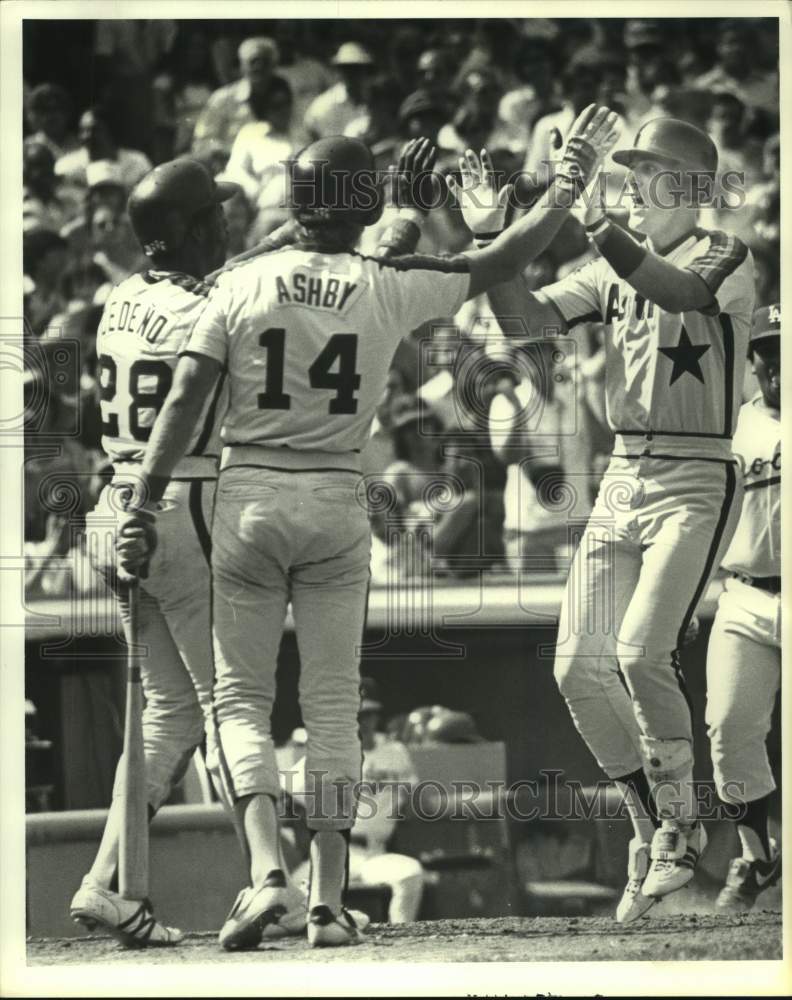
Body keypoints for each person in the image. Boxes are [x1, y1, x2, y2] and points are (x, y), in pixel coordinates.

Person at [115, 107, 618, 948]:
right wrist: (570, 176)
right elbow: (508, 256)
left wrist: (141, 503)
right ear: (367, 203)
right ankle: (328, 900)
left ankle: (269, 876)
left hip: (248, 495)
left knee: (237, 699)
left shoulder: (240, 277)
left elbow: (184, 398)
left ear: (295, 201)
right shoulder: (390, 281)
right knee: (336, 705)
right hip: (339, 495)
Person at [456, 115, 755, 921]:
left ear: (693, 180)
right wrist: (492, 237)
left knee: (638, 651)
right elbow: (527, 324)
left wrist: (589, 213)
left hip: (697, 469)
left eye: (649, 168)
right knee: (574, 666)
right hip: (625, 469)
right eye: (628, 169)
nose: (631, 180)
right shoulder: (607, 257)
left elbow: (681, 292)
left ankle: (685, 832)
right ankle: (648, 825)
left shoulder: (728, 251)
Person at [69, 157, 244, 948]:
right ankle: (284, 882)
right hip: (175, 503)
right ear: (190, 231)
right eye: (216, 215)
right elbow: (241, 286)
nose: (227, 224)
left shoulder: (122, 296)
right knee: (232, 706)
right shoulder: (206, 308)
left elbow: (229, 269)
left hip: (114, 505)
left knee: (172, 715)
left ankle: (103, 884)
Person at [705, 303, 781, 912]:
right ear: (753, 360)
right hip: (746, 592)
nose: (780, 367)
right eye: (770, 355)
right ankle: (757, 858)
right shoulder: (732, 427)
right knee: (729, 728)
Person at [289, 679, 424, 923]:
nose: (365, 721)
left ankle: (404, 939)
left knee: (410, 874)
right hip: (334, 850)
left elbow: (413, 803)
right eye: (358, 714)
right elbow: (288, 797)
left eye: (369, 713)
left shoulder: (395, 752)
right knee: (296, 896)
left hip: (374, 853)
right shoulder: (327, 752)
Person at [191, 37, 286, 154]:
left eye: (264, 61)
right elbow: (203, 142)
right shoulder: (223, 99)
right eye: (253, 61)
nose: (258, 67)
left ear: (274, 65)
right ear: (242, 66)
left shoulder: (287, 96)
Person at [55, 105, 152, 191]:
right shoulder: (67, 166)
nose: (86, 136)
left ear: (110, 130)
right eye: (83, 131)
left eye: (94, 130)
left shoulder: (138, 162)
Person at [304, 42, 373, 140]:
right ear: (339, 71)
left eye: (358, 69)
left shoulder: (375, 101)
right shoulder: (325, 106)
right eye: (347, 69)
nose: (353, 74)